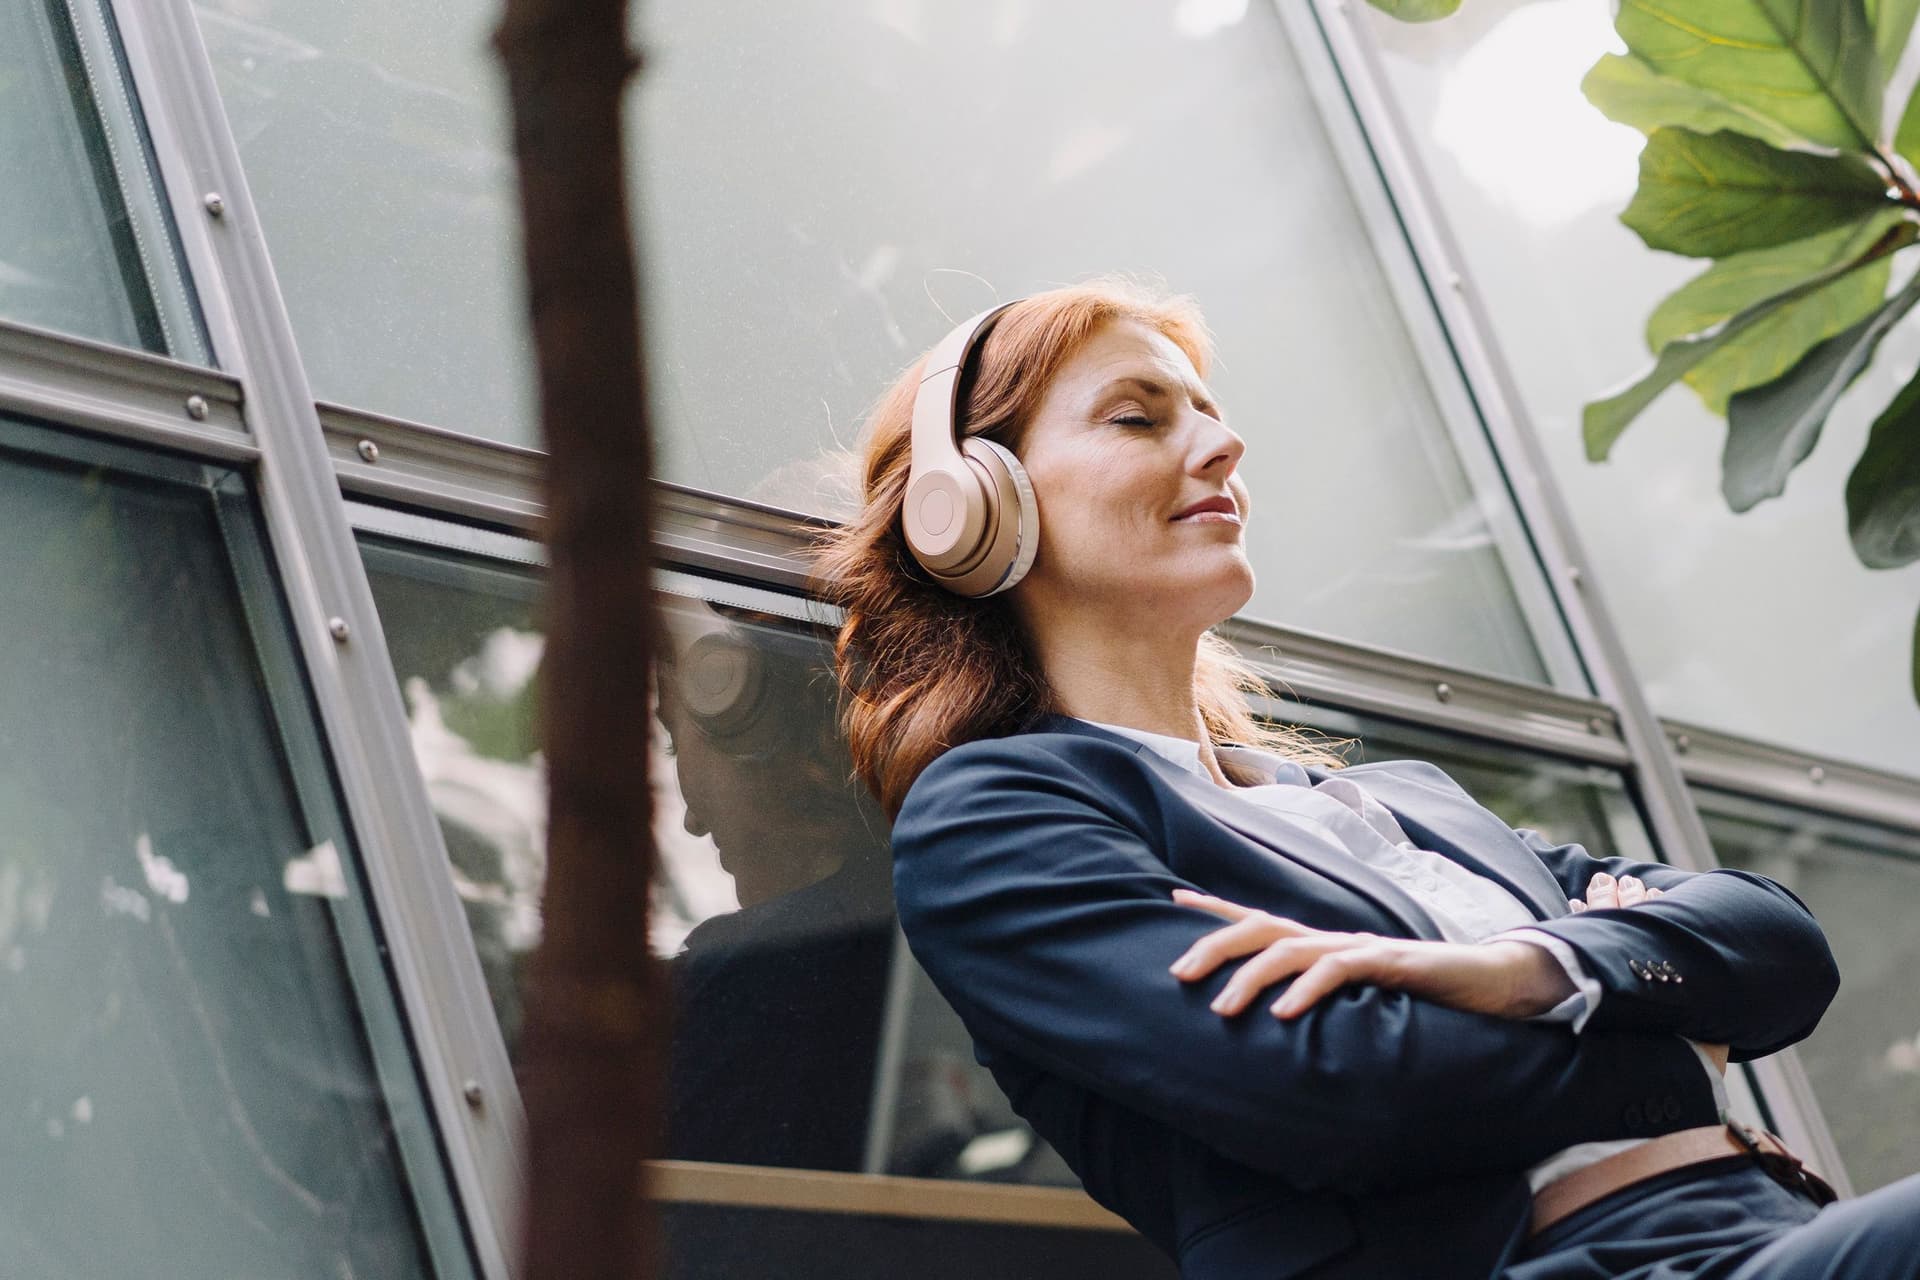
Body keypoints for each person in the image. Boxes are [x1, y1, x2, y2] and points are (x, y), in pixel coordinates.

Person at [805, 276, 1920, 1279]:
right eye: (1140, 416)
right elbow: (1342, 1092)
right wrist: (1667, 1033)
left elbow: (1779, 942)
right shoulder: (995, 814)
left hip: (1761, 1225)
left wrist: (1529, 968)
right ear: (976, 506)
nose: (1221, 445)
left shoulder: (1395, 801)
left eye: (1210, 412)